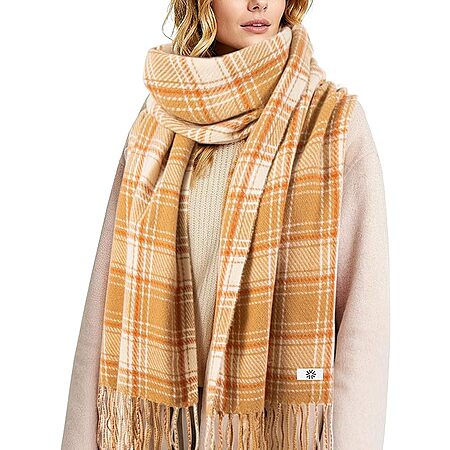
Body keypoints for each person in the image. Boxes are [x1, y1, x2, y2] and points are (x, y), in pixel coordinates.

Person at [61, 1, 390, 449]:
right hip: (162, 427)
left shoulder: (334, 125)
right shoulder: (156, 123)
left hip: (281, 425)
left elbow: (363, 325)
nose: (259, 3)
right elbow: (105, 303)